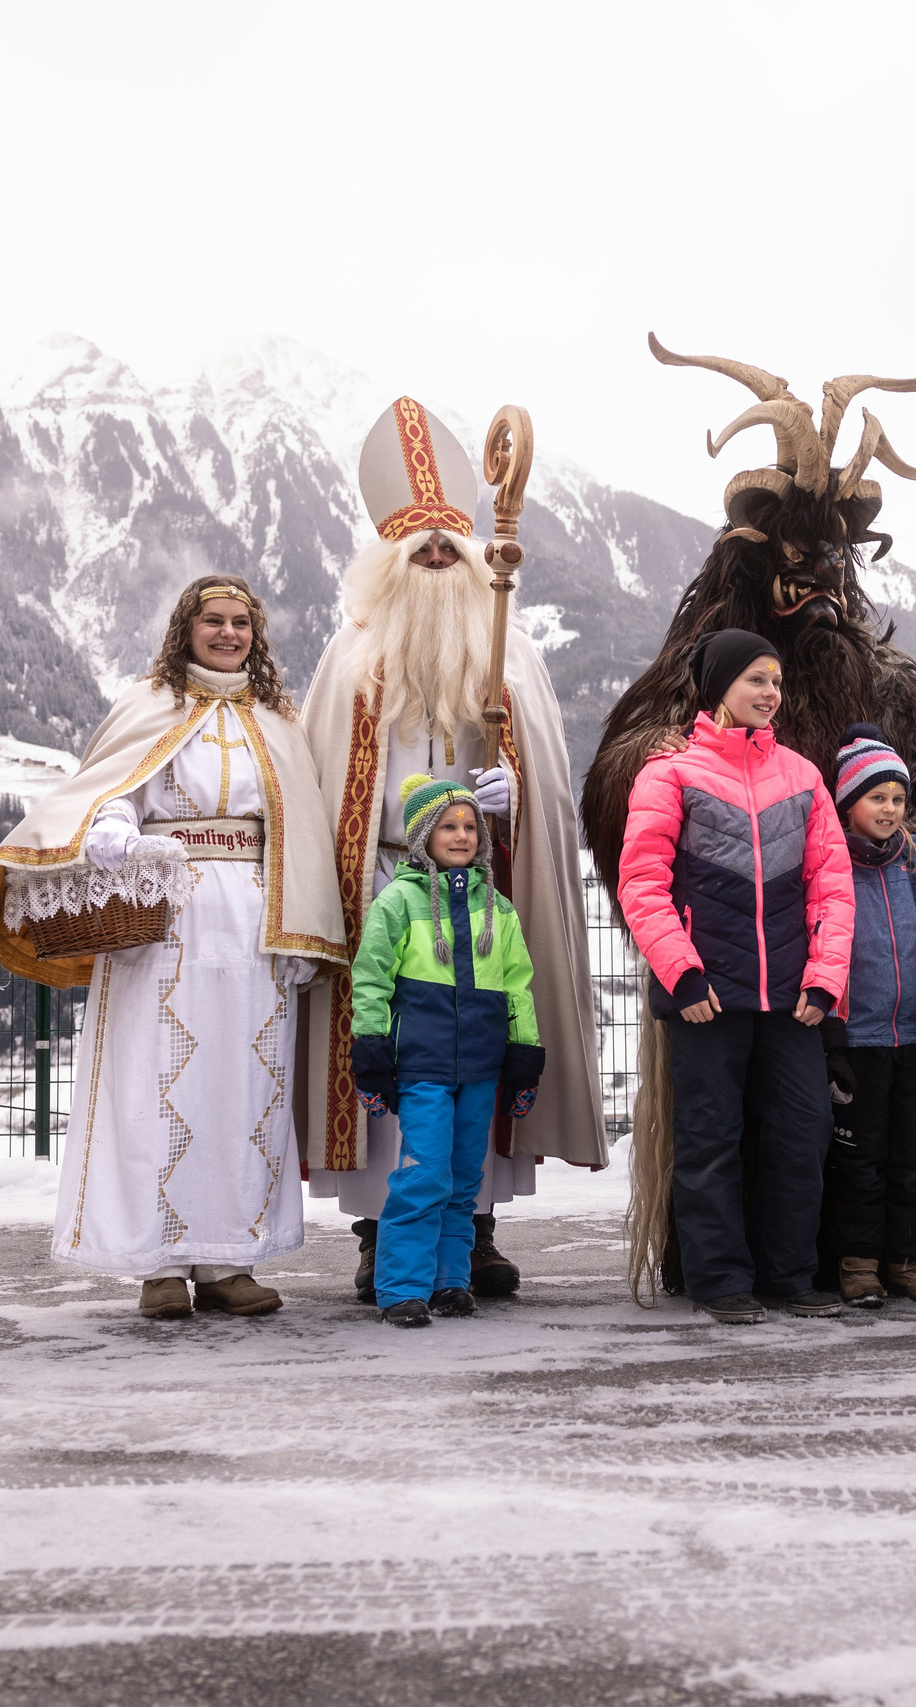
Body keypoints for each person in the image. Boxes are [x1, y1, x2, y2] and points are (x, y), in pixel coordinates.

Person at [300, 397, 607, 1304]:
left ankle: (472, 1230)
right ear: (391, 563)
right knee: (399, 1071)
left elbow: (544, 783)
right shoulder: (349, 660)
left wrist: (514, 793)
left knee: (473, 1058)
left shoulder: (511, 659)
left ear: (472, 557)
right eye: (420, 548)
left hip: (478, 898)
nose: (437, 558)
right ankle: (379, 1232)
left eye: (449, 547)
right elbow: (327, 782)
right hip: (387, 883)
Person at [0, 576, 347, 1319]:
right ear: (187, 627)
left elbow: (301, 828)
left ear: (256, 633)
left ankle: (227, 1259)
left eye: (240, 622)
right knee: (157, 1083)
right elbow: (110, 784)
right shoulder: (149, 706)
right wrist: (112, 821)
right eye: (213, 620)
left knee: (243, 1084)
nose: (227, 633)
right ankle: (160, 1264)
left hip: (250, 920)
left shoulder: (278, 719)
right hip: (161, 920)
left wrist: (303, 925)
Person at [618, 630, 855, 1323]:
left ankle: (787, 1274)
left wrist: (824, 979)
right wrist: (682, 976)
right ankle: (719, 1279)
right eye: (755, 678)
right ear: (718, 686)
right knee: (708, 1135)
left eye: (776, 680)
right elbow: (642, 884)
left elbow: (833, 888)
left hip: (790, 997)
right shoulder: (671, 775)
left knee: (803, 1130)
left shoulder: (803, 777)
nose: (770, 692)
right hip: (707, 995)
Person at [351, 776, 545, 1327]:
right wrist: (371, 1052)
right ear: (421, 836)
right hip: (423, 1066)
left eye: (469, 826)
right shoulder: (399, 901)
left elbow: (517, 986)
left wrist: (524, 1055)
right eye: (447, 826)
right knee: (424, 1173)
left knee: (464, 1180)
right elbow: (370, 980)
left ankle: (450, 1282)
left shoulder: (498, 909)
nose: (460, 836)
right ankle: (402, 1288)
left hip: (481, 1066)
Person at [818, 724, 916, 1307]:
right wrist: (831, 1034)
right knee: (858, 1157)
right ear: (849, 803)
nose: (890, 809)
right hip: (859, 1037)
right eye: (877, 797)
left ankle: (908, 1258)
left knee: (915, 1155)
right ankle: (859, 1261)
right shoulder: (829, 868)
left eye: (898, 798)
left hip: (914, 1034)